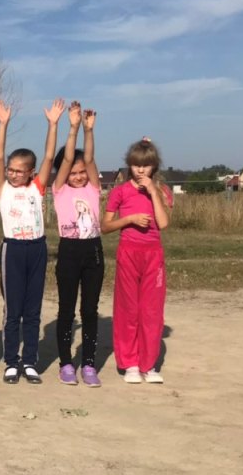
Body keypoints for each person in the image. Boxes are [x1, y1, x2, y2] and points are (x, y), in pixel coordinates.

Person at [0, 98, 62, 384]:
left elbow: (49, 156)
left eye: (20, 170)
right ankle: (11, 361)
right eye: (11, 169)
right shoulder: (3, 189)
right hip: (13, 250)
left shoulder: (37, 187)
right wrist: (3, 125)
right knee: (13, 311)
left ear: (31, 173)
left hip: (37, 248)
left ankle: (29, 361)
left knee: (33, 310)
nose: (13, 173)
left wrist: (53, 124)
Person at [102, 137, 172, 384]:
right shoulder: (120, 191)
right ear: (129, 165)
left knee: (151, 311)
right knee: (128, 309)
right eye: (136, 165)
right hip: (128, 253)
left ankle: (148, 365)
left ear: (154, 166)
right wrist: (129, 220)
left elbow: (163, 223)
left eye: (146, 165)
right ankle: (130, 363)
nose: (141, 170)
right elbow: (105, 226)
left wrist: (153, 192)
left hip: (153, 255)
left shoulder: (161, 191)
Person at [52, 101, 104, 386]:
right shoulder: (59, 189)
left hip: (93, 250)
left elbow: (90, 159)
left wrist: (88, 130)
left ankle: (89, 364)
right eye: (73, 172)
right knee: (67, 309)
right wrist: (72, 128)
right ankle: (66, 364)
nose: (78, 176)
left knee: (90, 310)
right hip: (69, 251)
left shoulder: (93, 188)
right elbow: (68, 159)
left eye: (81, 172)